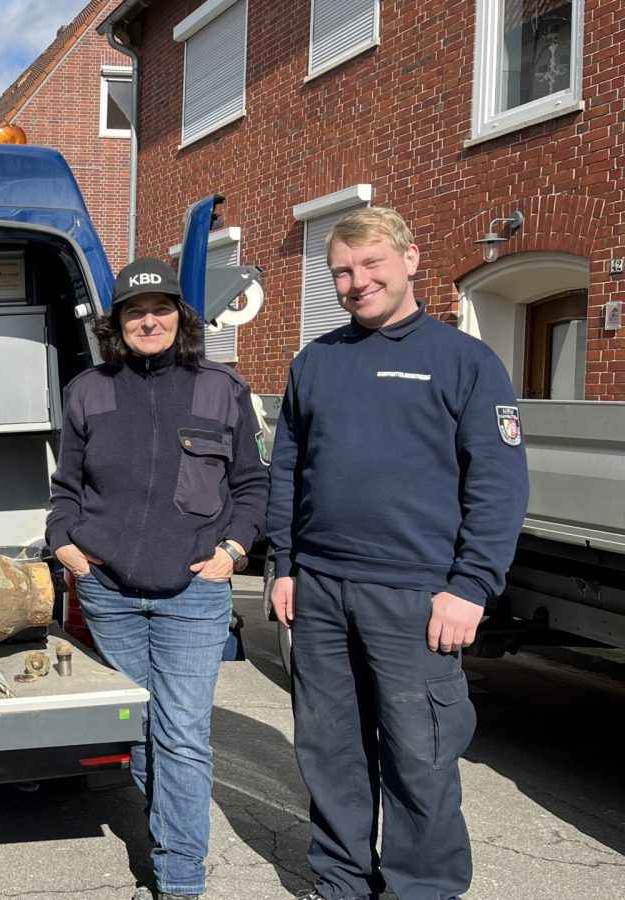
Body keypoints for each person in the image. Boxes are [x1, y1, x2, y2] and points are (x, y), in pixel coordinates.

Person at [267, 207, 528, 900]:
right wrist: (284, 566)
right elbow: (288, 473)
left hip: (417, 597)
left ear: (410, 259)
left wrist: (471, 587)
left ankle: (423, 889)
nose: (357, 282)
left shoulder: (464, 362)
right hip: (320, 591)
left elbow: (499, 488)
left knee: (421, 757)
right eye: (342, 272)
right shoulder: (315, 362)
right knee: (329, 753)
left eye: (371, 264)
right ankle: (341, 882)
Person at [48, 257, 269, 900]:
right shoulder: (88, 389)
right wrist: (66, 545)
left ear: (181, 315)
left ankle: (179, 879)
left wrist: (233, 548)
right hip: (110, 592)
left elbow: (252, 485)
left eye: (161, 309)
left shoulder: (221, 388)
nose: (150, 321)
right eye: (135, 313)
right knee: (141, 732)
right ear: (117, 324)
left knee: (182, 733)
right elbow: (67, 488)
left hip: (195, 591)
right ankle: (167, 832)